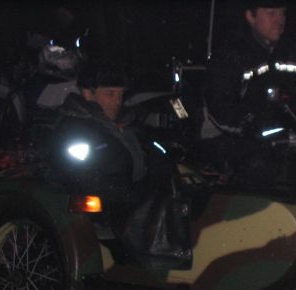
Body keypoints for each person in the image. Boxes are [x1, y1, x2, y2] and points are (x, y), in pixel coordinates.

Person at [48, 59, 191, 268]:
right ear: (88, 94)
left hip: (141, 207)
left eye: (120, 95)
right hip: (106, 218)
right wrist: (139, 194)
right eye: (110, 94)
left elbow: (155, 155)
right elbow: (84, 178)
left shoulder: (125, 124)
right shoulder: (73, 131)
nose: (117, 101)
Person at [200, 0, 296, 186]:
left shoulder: (289, 53)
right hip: (226, 140)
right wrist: (253, 124)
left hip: (277, 141)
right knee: (263, 169)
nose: (279, 20)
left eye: (282, 13)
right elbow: (220, 108)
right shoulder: (230, 55)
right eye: (271, 13)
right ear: (251, 16)